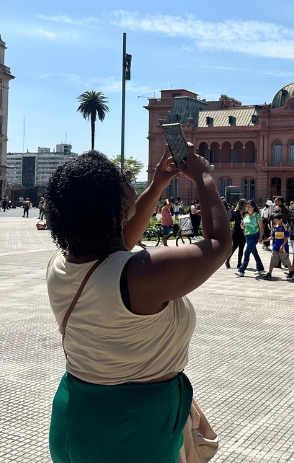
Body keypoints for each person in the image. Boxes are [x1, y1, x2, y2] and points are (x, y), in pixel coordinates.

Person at [45, 145, 231, 463]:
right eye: (122, 180)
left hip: (75, 410)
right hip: (131, 427)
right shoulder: (140, 275)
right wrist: (203, 176)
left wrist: (157, 184)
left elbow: (121, 243)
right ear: (111, 207)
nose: (128, 180)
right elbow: (219, 243)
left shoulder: (64, 263)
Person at [236, 200, 265, 277]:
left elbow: (261, 227)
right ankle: (260, 268)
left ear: (253, 207)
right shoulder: (246, 216)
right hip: (247, 236)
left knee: (247, 252)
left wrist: (260, 237)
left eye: (249, 207)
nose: (247, 208)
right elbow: (244, 226)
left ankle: (241, 270)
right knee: (254, 253)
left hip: (254, 236)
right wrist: (242, 226)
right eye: (247, 206)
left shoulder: (257, 215)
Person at [264, 213, 289, 280]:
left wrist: (282, 245)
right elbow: (272, 237)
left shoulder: (284, 227)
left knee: (285, 261)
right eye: (274, 221)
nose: (275, 222)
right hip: (275, 247)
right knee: (272, 260)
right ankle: (269, 273)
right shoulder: (275, 227)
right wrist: (264, 240)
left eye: (277, 221)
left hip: (283, 248)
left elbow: (286, 237)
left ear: (281, 220)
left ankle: (291, 271)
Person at [225, 199, 246, 268]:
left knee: (234, 247)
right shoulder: (246, 213)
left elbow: (231, 220)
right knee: (241, 248)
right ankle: (239, 263)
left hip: (235, 231)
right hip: (243, 232)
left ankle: (228, 260)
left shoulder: (235, 212)